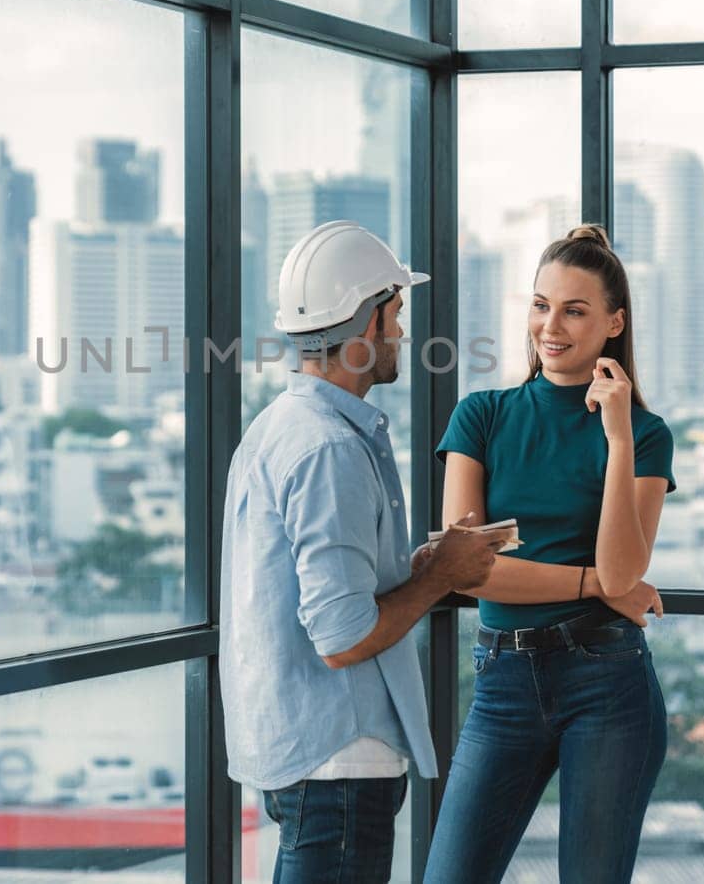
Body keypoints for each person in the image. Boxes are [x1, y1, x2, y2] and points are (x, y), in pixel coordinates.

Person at [220, 220, 513, 884]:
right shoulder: (330, 449)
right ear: (371, 319)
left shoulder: (278, 429)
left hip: (310, 757)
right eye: (399, 314)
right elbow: (343, 635)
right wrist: (440, 575)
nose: (403, 333)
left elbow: (307, 590)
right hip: (340, 764)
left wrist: (404, 573)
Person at [422, 224, 676, 884]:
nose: (550, 324)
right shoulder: (482, 416)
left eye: (574, 308)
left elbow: (628, 571)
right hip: (502, 681)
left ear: (614, 322)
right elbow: (468, 569)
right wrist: (594, 583)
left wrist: (617, 437)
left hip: (608, 685)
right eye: (540, 304)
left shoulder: (646, 436)